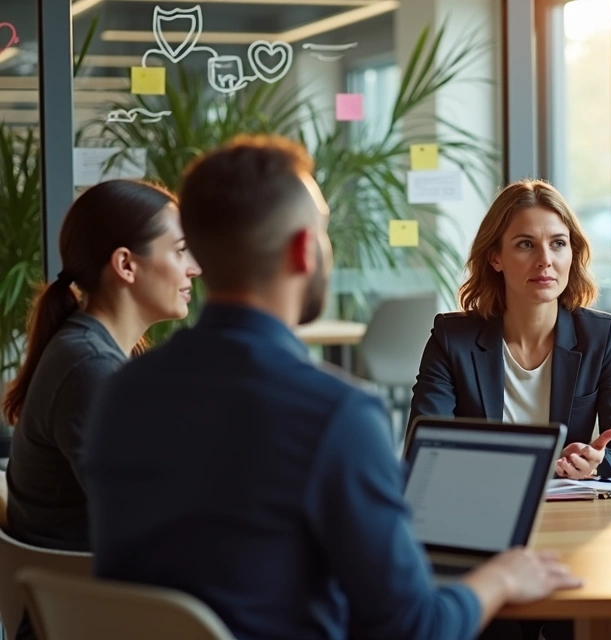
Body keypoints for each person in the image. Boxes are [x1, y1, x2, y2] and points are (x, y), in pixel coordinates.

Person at [82, 136, 580, 640]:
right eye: (322, 232)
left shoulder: (120, 393)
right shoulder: (334, 414)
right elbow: (414, 628)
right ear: (303, 250)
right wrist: (500, 578)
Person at [4, 179, 200, 553]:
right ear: (126, 264)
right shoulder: (89, 366)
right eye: (180, 251)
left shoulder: (96, 354)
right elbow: (150, 514)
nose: (194, 269)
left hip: (102, 595)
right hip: (100, 603)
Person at [408, 179, 611, 483]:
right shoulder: (451, 338)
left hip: (566, 512)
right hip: (478, 502)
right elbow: (424, 452)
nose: (545, 260)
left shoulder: (603, 336)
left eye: (558, 243)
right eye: (526, 244)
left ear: (572, 253)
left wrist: (594, 464)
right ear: (496, 257)